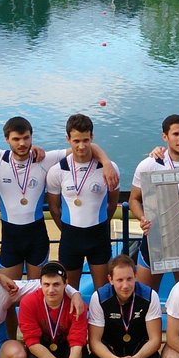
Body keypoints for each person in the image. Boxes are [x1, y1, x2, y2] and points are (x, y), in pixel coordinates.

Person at [0, 116, 117, 282]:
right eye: (16, 139)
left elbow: (85, 148)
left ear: (31, 137)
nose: (22, 143)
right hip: (13, 240)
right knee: (8, 291)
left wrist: (106, 162)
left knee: (41, 289)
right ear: (7, 139)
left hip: (40, 239)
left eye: (26, 138)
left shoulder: (46, 159)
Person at [46, 114, 122, 291]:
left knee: (103, 292)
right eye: (76, 141)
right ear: (68, 139)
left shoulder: (109, 168)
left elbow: (112, 203)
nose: (81, 146)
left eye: (86, 140)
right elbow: (54, 208)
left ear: (92, 138)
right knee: (70, 292)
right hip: (70, 238)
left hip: (99, 236)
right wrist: (67, 231)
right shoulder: (57, 171)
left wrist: (101, 223)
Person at [130, 114, 179, 290]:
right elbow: (134, 199)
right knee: (145, 295)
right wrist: (143, 218)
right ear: (165, 137)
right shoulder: (148, 165)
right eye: (175, 134)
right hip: (156, 234)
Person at [86, 255, 163, 358]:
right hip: (111, 347)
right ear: (110, 279)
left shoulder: (150, 296)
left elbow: (155, 340)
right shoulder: (99, 298)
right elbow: (94, 342)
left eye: (129, 279)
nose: (125, 285)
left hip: (137, 346)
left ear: (136, 276)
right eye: (119, 280)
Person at [20, 262, 89, 358]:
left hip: (67, 346)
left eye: (56, 284)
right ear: (40, 284)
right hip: (42, 346)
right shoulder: (28, 303)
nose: (51, 290)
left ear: (66, 284)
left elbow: (76, 346)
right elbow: (32, 342)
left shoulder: (78, 306)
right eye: (46, 284)